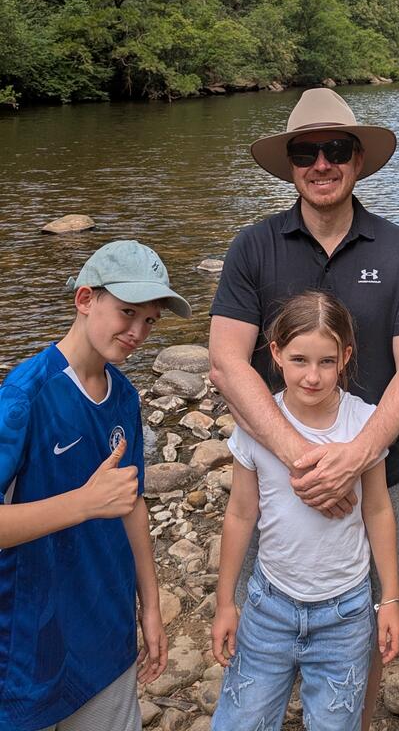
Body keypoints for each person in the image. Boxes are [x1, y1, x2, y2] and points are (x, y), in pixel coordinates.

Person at [209, 87, 399, 727]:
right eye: (305, 151)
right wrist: (307, 461)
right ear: (289, 164)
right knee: (263, 627)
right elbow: (227, 360)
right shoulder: (253, 247)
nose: (321, 163)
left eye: (335, 149)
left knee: (359, 646)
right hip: (274, 481)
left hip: (375, 478)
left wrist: (357, 457)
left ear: (357, 159)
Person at [0, 239, 192, 731]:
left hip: (107, 636)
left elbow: (132, 503)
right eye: (127, 312)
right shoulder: (25, 394)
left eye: (149, 321)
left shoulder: (125, 396)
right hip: (29, 649)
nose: (137, 333)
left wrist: (150, 607)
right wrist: (82, 503)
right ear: (85, 300)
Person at [211, 290, 399, 730]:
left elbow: (376, 511)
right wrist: (226, 602)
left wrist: (388, 599)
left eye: (326, 362)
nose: (312, 376)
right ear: (276, 353)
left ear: (346, 356)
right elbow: (241, 513)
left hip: (346, 615)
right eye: (299, 360)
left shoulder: (362, 422)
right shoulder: (258, 426)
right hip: (268, 608)